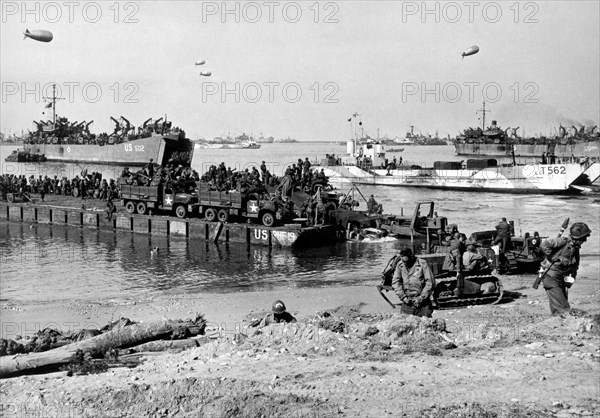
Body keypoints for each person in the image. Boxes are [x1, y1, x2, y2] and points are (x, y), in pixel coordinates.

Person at [538, 222, 591, 316]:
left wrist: (572, 277)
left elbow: (575, 265)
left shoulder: (575, 248)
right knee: (563, 308)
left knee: (559, 306)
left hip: (561, 278)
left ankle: (557, 323)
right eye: (584, 238)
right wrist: (553, 256)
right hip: (551, 277)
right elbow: (544, 244)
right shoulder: (562, 242)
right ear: (577, 238)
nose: (585, 241)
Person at [392, 248, 435, 318]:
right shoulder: (400, 265)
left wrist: (421, 297)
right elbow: (395, 282)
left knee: (426, 325)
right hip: (407, 302)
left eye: (406, 261)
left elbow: (430, 282)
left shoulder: (422, 264)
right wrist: (403, 297)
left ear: (411, 257)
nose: (405, 263)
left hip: (423, 303)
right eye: (403, 261)